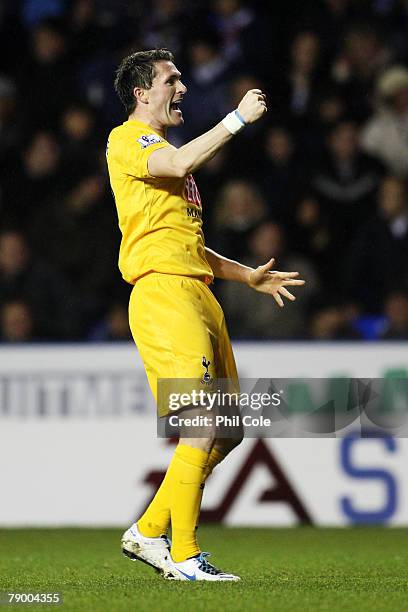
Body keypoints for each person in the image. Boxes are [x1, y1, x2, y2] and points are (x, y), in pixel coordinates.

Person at [106, 48, 305, 582]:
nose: (183, 88)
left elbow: (191, 246)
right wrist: (237, 118)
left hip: (198, 293)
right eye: (172, 80)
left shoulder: (170, 155)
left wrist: (248, 277)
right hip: (163, 294)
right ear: (142, 93)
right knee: (201, 423)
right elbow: (181, 162)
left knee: (229, 431)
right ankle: (185, 555)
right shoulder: (129, 141)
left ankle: (148, 531)